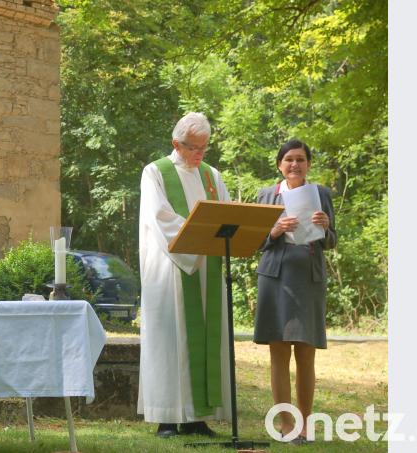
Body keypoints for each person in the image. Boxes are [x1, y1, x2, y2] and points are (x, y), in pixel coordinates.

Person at [137, 112, 233, 438]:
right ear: (175, 143)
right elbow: (160, 217)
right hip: (170, 269)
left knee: (204, 337)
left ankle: (197, 418)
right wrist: (198, 241)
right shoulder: (155, 173)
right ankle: (167, 418)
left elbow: (227, 215)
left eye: (204, 148)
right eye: (193, 148)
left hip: (207, 269)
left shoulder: (211, 176)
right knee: (171, 340)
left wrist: (215, 237)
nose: (199, 155)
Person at [253, 139, 337, 444]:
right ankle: (285, 424)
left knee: (306, 353)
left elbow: (332, 240)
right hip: (274, 279)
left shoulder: (321, 194)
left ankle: (305, 424)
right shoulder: (266, 195)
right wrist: (273, 232)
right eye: (289, 159)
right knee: (279, 353)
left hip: (309, 279)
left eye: (300, 159)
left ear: (308, 164)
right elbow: (252, 241)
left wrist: (326, 227)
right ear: (279, 164)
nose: (294, 165)